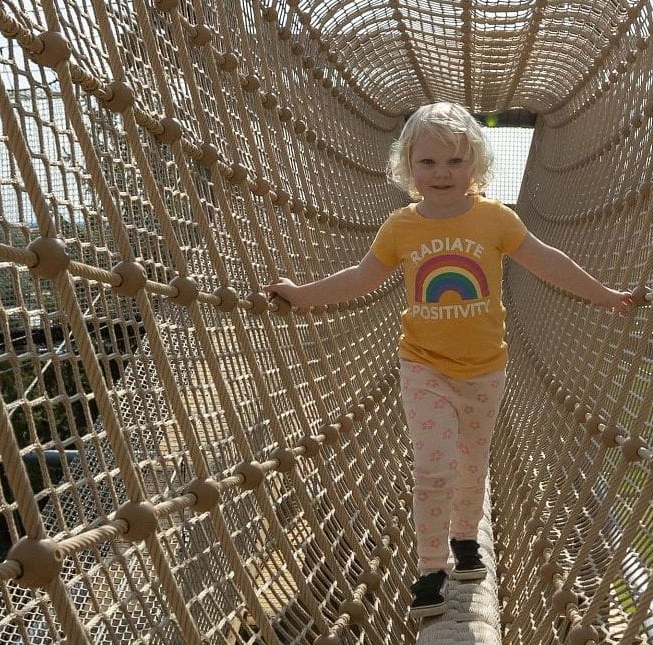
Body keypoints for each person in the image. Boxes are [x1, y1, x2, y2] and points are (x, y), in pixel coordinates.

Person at [268, 103, 634, 618]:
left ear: (477, 166)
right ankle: (430, 568)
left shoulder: (495, 219)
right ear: (408, 168)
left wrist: (602, 294)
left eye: (456, 161)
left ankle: (466, 538)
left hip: (486, 367)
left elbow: (548, 261)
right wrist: (301, 295)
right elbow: (361, 277)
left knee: (471, 463)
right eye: (429, 162)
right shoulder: (400, 228)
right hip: (424, 365)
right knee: (432, 466)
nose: (443, 173)